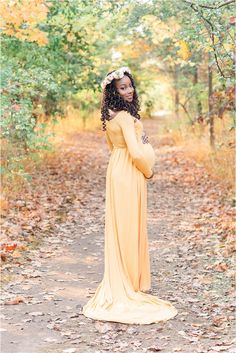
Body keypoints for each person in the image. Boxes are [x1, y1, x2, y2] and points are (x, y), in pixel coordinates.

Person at [82, 67, 178, 324]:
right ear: (113, 92)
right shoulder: (125, 117)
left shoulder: (110, 116)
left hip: (116, 170)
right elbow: (135, 153)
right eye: (122, 87)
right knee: (130, 225)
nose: (128, 90)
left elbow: (113, 148)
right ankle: (129, 283)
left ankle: (126, 277)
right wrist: (147, 170)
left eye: (129, 85)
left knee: (120, 225)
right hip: (130, 171)